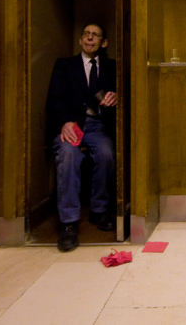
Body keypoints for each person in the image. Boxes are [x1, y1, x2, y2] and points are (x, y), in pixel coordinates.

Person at [46, 23, 117, 252]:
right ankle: (68, 222)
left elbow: (124, 93)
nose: (90, 38)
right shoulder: (64, 65)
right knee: (68, 156)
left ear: (103, 42)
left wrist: (117, 96)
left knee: (106, 153)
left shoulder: (112, 67)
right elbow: (54, 100)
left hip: (97, 126)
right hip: (71, 125)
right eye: (86, 34)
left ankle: (99, 210)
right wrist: (64, 123)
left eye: (95, 35)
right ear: (80, 40)